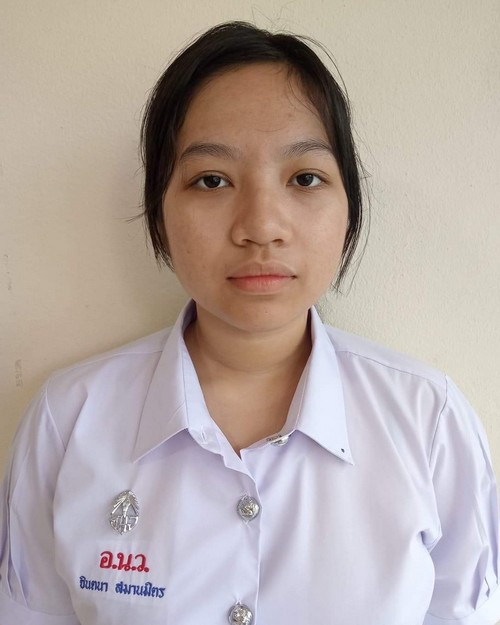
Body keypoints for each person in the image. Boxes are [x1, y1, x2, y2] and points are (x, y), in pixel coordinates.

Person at [0, 21, 499, 625]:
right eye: (212, 180)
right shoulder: (68, 420)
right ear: (159, 214)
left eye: (305, 178)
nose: (261, 226)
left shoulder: (429, 423)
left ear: (349, 206)